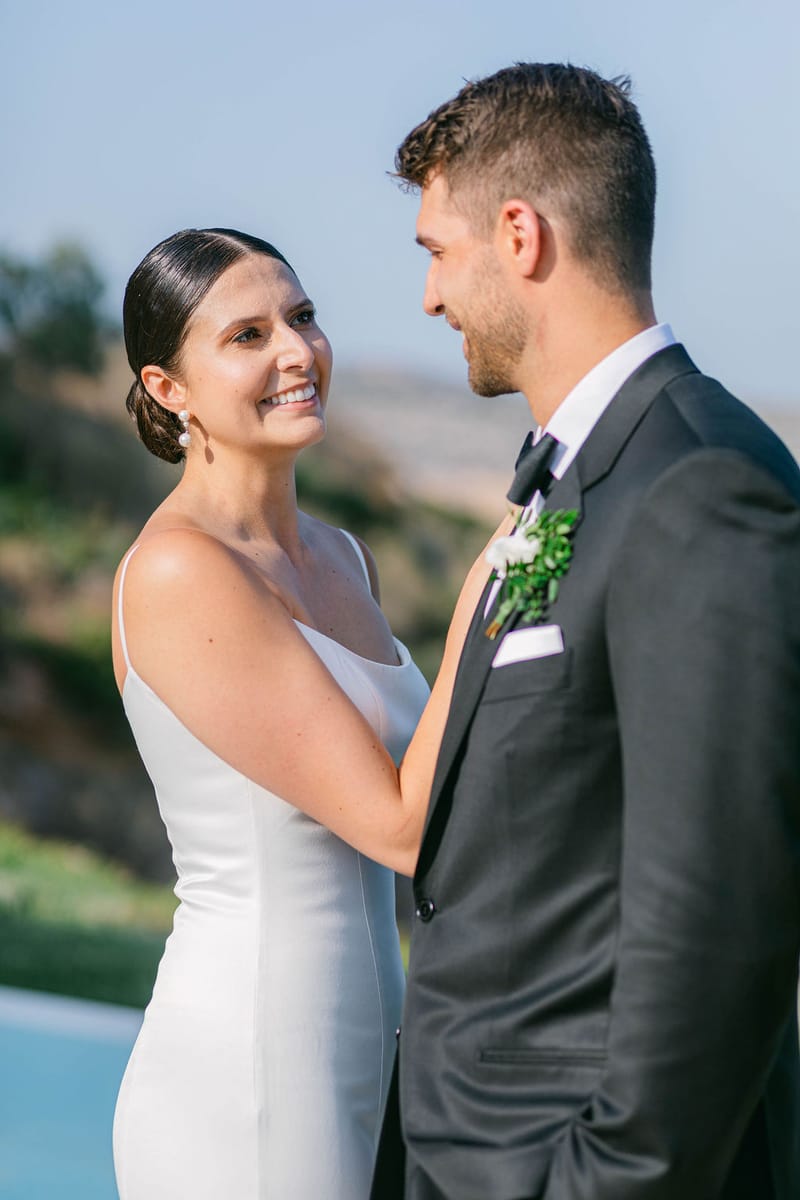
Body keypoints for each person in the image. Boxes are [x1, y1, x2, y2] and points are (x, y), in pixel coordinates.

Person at [371, 63, 800, 1200]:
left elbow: (721, 911)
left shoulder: (696, 484)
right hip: (468, 1150)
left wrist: (602, 1182)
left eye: (436, 252)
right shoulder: (573, 483)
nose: (429, 299)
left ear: (518, 235)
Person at [110, 227, 488, 1199]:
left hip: (368, 1049)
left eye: (303, 317)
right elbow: (399, 826)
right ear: (168, 388)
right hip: (252, 1068)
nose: (296, 351)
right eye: (247, 335)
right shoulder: (179, 572)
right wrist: (487, 597)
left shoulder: (345, 557)